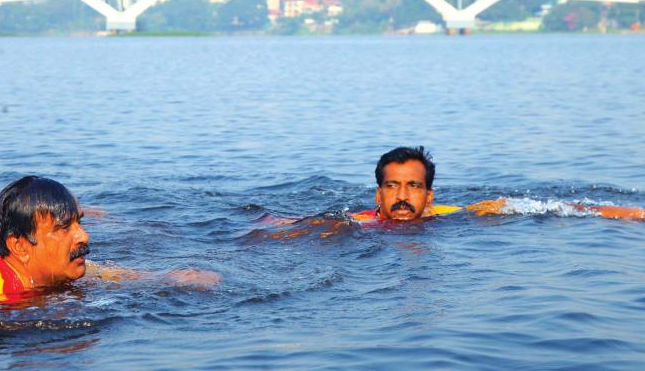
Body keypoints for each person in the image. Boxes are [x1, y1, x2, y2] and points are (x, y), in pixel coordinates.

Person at [0, 176, 220, 304]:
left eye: (79, 223)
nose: (84, 236)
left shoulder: (58, 268)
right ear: (20, 245)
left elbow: (103, 271)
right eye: (64, 228)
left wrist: (168, 279)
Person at [255, 146, 643, 240]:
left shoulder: (459, 214)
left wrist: (633, 215)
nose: (402, 195)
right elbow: (278, 226)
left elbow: (558, 208)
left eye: (413, 186)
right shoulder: (354, 222)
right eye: (392, 186)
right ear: (378, 196)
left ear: (428, 195)